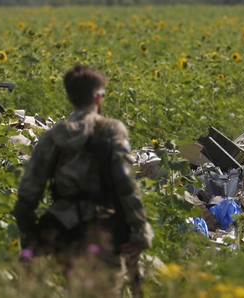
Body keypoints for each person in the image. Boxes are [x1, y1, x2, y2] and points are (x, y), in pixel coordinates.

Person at [12, 64, 153, 295]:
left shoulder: (54, 137)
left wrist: (32, 243)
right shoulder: (111, 130)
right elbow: (126, 185)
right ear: (98, 97)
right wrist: (139, 233)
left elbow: (28, 194)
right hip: (105, 230)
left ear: (70, 97)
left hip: (63, 232)